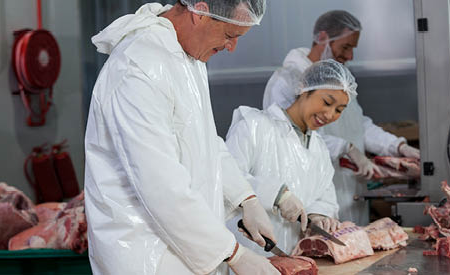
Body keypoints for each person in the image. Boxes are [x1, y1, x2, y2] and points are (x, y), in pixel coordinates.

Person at [84, 1, 280, 274]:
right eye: (229, 35)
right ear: (200, 12)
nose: (231, 47)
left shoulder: (185, 56)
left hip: (183, 247)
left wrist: (245, 198)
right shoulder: (139, 67)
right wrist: (234, 254)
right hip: (146, 254)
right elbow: (159, 182)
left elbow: (204, 141)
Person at [262, 10, 420, 225]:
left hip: (351, 191)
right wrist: (346, 148)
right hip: (311, 198)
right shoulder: (288, 80)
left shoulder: (338, 78)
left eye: (353, 49)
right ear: (323, 38)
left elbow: (357, 125)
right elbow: (288, 137)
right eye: (345, 47)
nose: (350, 56)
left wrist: (398, 147)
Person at [226, 59, 358, 256]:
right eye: (327, 102)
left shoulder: (319, 149)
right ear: (305, 89)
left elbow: (325, 196)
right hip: (248, 255)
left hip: (294, 258)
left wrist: (318, 214)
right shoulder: (254, 126)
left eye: (339, 110)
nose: (330, 114)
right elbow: (227, 179)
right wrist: (277, 195)